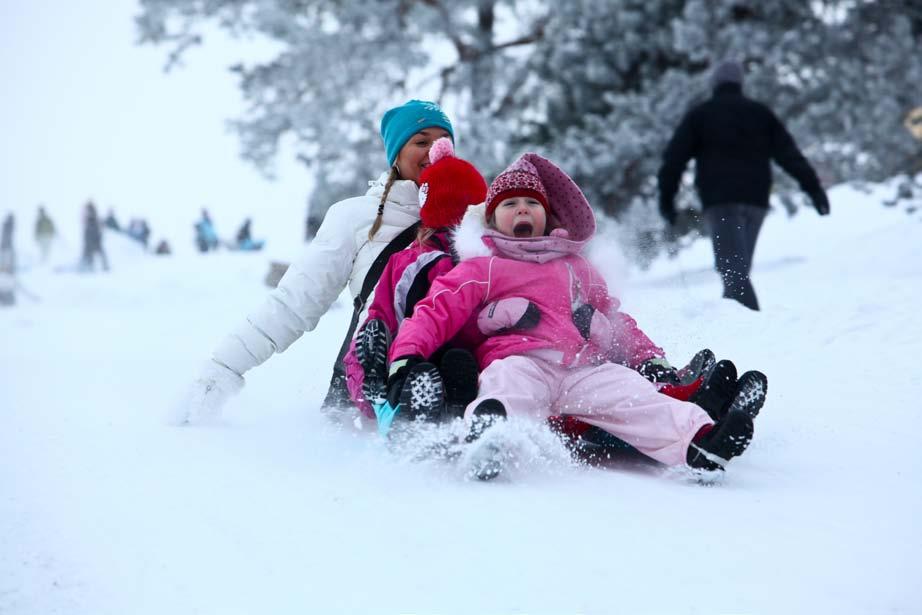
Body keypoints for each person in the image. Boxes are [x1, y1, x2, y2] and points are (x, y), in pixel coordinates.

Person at [386, 153, 756, 477]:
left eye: (531, 204)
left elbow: (616, 318)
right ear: (493, 221)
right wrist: (406, 358)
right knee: (505, 386)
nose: (522, 210)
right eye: (510, 204)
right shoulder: (484, 266)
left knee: (633, 394)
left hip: (583, 369)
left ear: (547, 218)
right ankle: (488, 438)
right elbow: (436, 310)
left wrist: (647, 356)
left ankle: (700, 440)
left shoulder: (575, 266)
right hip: (520, 361)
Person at [176, 99, 455, 424]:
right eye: (421, 141)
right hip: (373, 380)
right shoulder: (355, 218)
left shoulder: (475, 218)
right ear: (396, 154)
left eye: (442, 141)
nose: (434, 151)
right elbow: (295, 303)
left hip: (456, 374)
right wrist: (224, 369)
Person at [657, 60, 830, 311]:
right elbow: (790, 155)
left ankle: (753, 330)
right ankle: (740, 331)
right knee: (737, 271)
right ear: (739, 83)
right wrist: (813, 188)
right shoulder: (760, 114)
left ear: (714, 84)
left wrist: (666, 199)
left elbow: (674, 160)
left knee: (733, 272)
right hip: (755, 202)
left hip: (721, 202)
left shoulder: (701, 115)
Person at [343, 137, 487, 424]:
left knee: (434, 359)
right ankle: (429, 407)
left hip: (414, 354)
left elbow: (382, 315)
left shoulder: (410, 260)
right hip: (454, 360)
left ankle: (392, 402)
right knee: (455, 361)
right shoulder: (488, 262)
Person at [80, 201, 109, 272]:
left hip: (95, 241)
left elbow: (100, 228)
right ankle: (89, 267)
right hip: (91, 241)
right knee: (90, 255)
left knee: (98, 254)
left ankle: (100, 267)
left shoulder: (94, 218)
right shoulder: (90, 219)